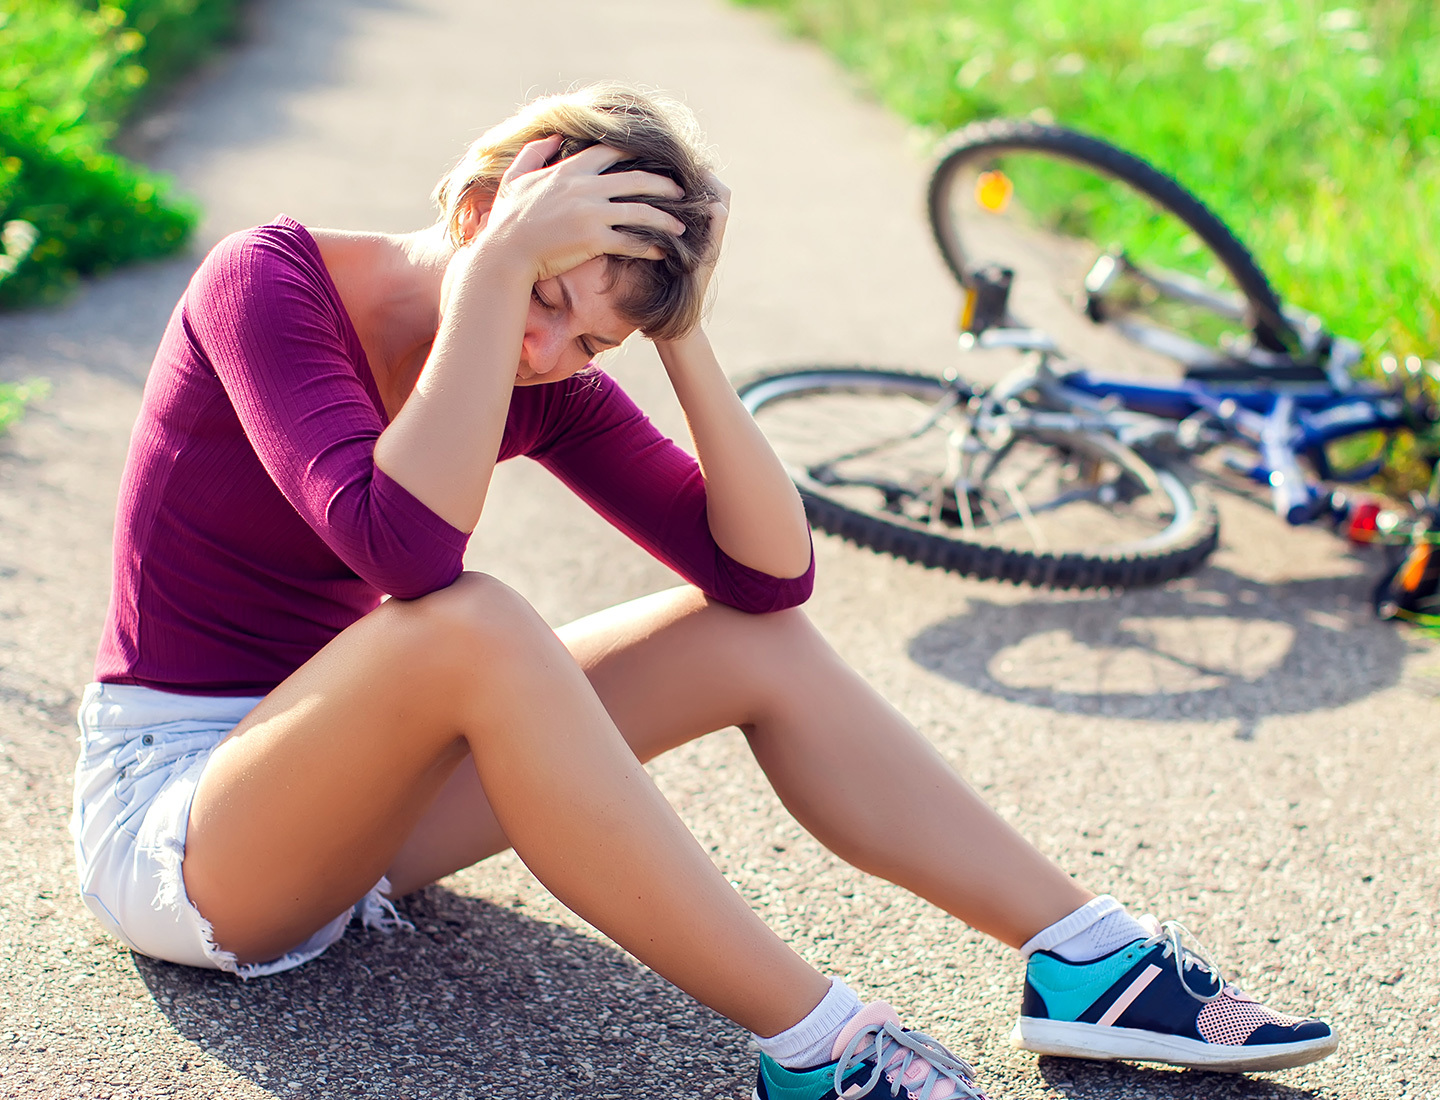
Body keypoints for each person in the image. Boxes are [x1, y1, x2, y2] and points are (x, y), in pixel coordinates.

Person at [70, 83, 1336, 1098]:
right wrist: (504, 268)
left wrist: (681, 335)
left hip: (354, 809)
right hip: (183, 821)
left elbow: (767, 574)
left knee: (742, 640)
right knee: (470, 620)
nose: (545, 349)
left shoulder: (539, 378)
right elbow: (399, 549)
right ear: (482, 207)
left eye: (590, 338)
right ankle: (819, 1045)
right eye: (544, 294)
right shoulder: (268, 282)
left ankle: (1087, 960)